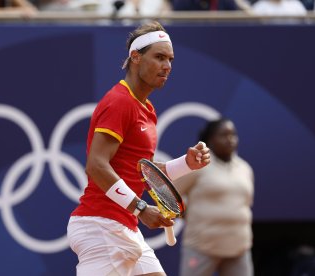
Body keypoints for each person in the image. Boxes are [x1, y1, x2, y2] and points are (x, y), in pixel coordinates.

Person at [67, 20, 211, 276]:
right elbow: (96, 165)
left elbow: (143, 172)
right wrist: (141, 208)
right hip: (101, 226)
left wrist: (187, 163)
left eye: (170, 59)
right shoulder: (119, 102)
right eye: (159, 57)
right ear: (135, 57)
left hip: (123, 227)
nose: (166, 66)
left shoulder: (146, 110)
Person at [174, 118, 254, 276]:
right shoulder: (197, 166)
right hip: (201, 248)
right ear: (210, 140)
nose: (230, 139)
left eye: (233, 135)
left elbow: (246, 203)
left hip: (239, 249)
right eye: (223, 135)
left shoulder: (245, 168)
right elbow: (169, 192)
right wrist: (183, 212)